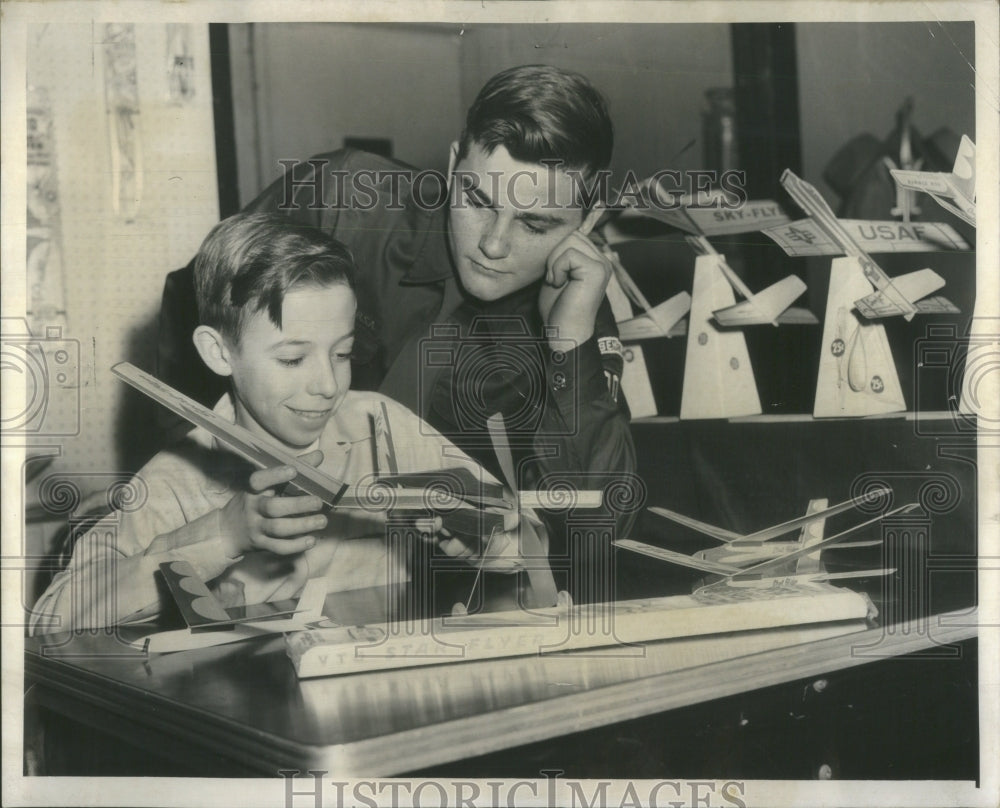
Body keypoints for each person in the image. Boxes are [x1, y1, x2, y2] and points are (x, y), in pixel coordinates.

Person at [158, 65, 637, 521]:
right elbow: (195, 308)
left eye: (535, 224)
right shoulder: (342, 201)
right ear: (453, 166)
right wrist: (196, 483)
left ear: (588, 221)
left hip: (435, 576)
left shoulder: (575, 305)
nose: (494, 244)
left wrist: (569, 346)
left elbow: (599, 523)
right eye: (476, 200)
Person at [31, 214, 528, 634]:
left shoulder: (379, 426)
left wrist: (485, 537)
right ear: (219, 352)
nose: (328, 386)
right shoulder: (178, 477)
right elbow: (50, 621)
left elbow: (530, 541)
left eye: (343, 353)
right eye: (293, 359)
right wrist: (221, 535)